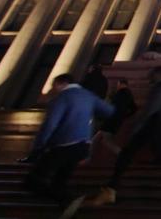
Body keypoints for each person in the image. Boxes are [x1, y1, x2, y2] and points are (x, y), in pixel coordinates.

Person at [22, 73, 114, 218]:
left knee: (33, 181)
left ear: (61, 83)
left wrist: (38, 147)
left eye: (54, 86)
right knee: (60, 181)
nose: (53, 89)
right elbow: (109, 111)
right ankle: (69, 207)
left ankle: (70, 200)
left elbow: (50, 125)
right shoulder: (87, 95)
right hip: (83, 146)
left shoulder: (62, 97)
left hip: (63, 145)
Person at [86, 66, 161, 207]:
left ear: (157, 76)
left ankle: (110, 190)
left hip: (151, 124)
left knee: (130, 153)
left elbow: (149, 111)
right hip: (157, 125)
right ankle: (110, 189)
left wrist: (136, 127)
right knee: (159, 155)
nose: (149, 78)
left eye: (151, 76)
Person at [91, 79, 136, 159]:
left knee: (105, 140)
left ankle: (122, 154)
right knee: (98, 137)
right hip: (117, 120)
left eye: (118, 84)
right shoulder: (129, 94)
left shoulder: (118, 94)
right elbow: (134, 108)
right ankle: (86, 154)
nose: (117, 86)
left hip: (111, 119)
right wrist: (124, 116)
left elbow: (111, 107)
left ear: (120, 84)